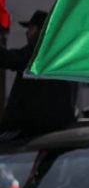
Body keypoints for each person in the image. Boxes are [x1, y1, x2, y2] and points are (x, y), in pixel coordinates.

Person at [0, 10, 78, 138]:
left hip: (30, 129)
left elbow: (9, 59)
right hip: (54, 128)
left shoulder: (37, 54)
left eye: (31, 28)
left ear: (40, 31)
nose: (26, 32)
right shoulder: (58, 55)